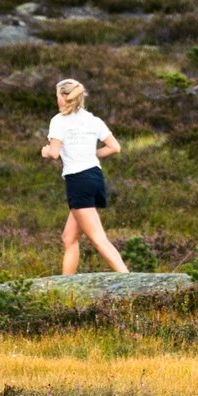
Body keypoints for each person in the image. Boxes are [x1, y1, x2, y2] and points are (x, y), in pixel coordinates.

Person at [42, 79, 128, 276]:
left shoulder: (58, 120)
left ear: (64, 97)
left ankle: (128, 279)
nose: (57, 101)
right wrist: (92, 155)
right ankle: (66, 284)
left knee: (98, 239)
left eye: (57, 96)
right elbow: (115, 147)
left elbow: (54, 153)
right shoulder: (93, 120)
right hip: (95, 178)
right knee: (68, 237)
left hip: (78, 181)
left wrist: (45, 151)